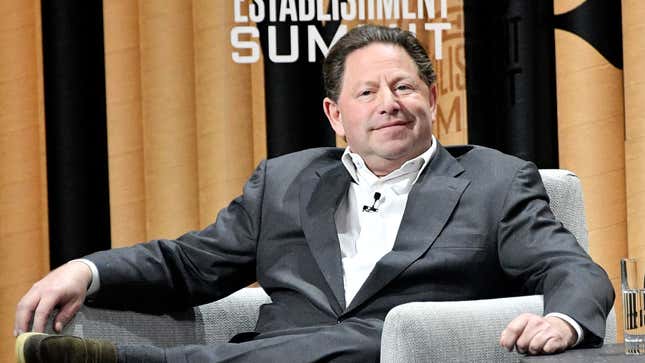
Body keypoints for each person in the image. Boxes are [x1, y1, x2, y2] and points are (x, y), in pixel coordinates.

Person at [14, 25, 614, 363]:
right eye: (367, 93)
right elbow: (191, 263)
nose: (388, 103)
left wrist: (562, 318)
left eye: (404, 86)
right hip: (280, 354)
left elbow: (571, 267)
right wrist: (86, 270)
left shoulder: (494, 180)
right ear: (335, 114)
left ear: (432, 99)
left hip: (395, 351)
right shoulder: (286, 179)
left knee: (368, 338)